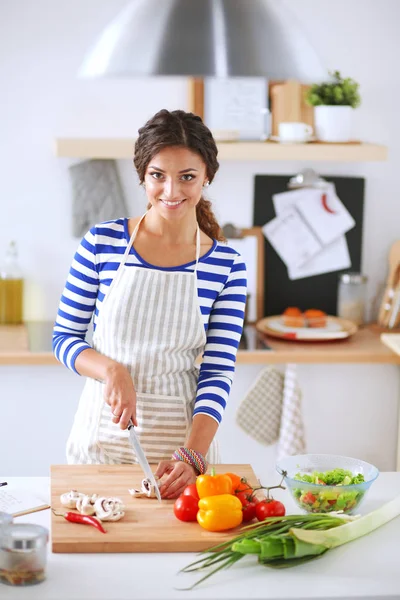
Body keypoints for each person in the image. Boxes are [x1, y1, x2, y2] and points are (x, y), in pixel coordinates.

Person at [53, 109, 247, 499]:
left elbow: (217, 372)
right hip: (99, 442)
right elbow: (64, 338)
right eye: (158, 175)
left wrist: (192, 455)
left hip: (179, 450)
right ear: (143, 175)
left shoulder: (227, 265)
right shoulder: (102, 243)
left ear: (207, 176)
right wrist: (111, 370)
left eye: (187, 177)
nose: (171, 191)